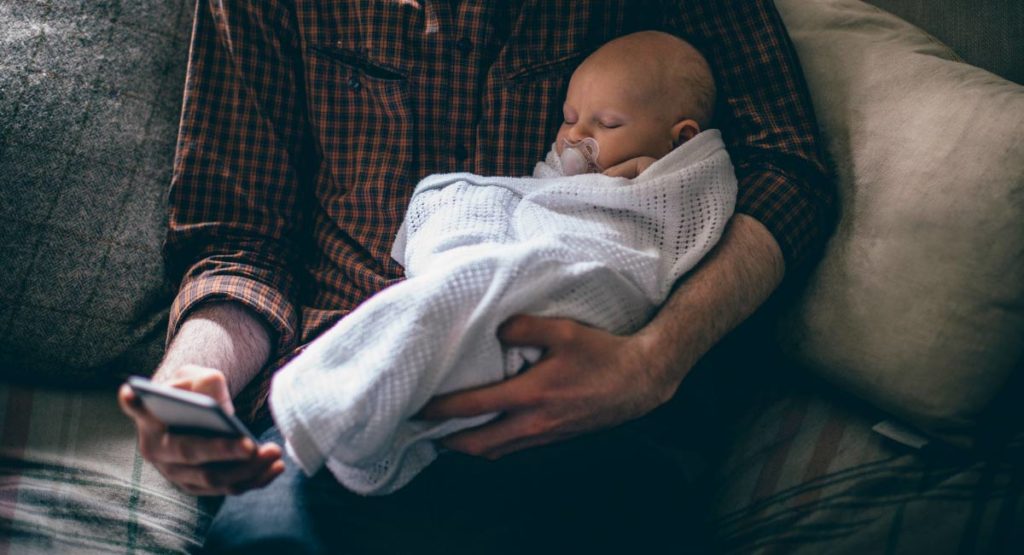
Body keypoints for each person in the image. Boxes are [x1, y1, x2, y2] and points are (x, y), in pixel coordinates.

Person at [119, 2, 834, 552]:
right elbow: (240, 240)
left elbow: (788, 168)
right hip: (351, 378)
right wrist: (189, 377)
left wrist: (653, 361)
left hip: (597, 396)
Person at [269, 31, 737, 496]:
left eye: (609, 124)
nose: (576, 137)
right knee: (463, 214)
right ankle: (356, 400)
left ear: (682, 139)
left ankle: (332, 400)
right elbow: (541, 197)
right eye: (569, 118)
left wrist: (652, 359)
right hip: (526, 241)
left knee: (480, 288)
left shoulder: (680, 178)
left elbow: (749, 185)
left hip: (593, 291)